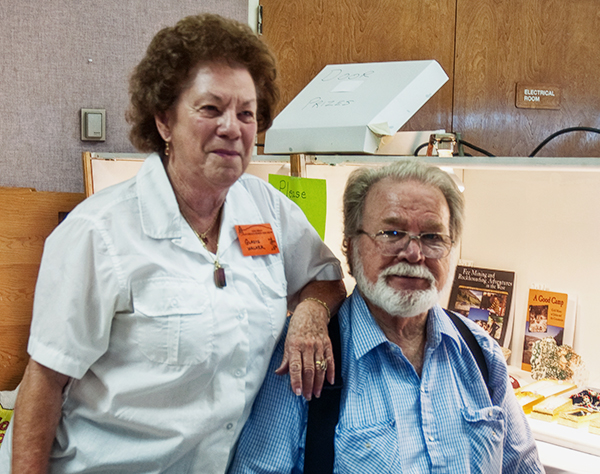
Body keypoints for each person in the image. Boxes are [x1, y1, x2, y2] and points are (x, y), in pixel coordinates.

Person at [0, 13, 345, 474]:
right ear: (163, 120)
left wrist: (309, 313)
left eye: (247, 112)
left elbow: (325, 280)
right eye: (210, 109)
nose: (232, 127)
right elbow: (42, 382)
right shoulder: (99, 233)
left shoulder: (266, 207)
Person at [230, 160, 544, 473]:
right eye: (392, 233)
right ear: (351, 247)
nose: (414, 254)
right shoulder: (307, 354)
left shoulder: (480, 354)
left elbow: (523, 466)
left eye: (433, 237)